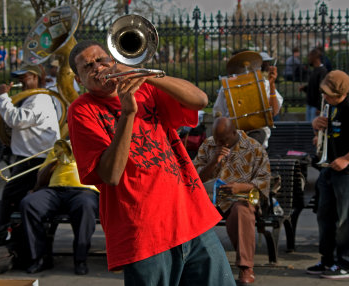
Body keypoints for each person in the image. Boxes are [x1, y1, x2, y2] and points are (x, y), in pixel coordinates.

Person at [67, 40, 236, 286]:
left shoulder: (146, 88)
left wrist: (144, 75)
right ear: (79, 78)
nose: (98, 68)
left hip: (191, 218)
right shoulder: (81, 110)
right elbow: (111, 175)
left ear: (114, 59)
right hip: (144, 233)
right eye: (87, 66)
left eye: (102, 59)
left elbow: (199, 100)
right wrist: (127, 114)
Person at [307, 70, 349, 279]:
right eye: (325, 93)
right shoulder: (330, 105)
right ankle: (328, 259)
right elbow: (329, 133)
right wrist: (316, 127)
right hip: (330, 166)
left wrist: (347, 159)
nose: (326, 98)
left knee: (347, 217)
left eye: (331, 95)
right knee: (325, 215)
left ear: (342, 93)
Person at [193, 117, 271, 284]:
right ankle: (190, 263)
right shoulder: (209, 145)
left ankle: (245, 267)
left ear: (234, 133)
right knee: (189, 210)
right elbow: (195, 178)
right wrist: (214, 161)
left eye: (224, 140)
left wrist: (240, 187)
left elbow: (264, 181)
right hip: (212, 199)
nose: (220, 143)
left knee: (241, 210)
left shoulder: (254, 148)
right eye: (217, 139)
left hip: (241, 197)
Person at [20, 140, 99, 275]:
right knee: (29, 203)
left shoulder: (96, 145)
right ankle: (40, 258)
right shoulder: (60, 147)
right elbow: (40, 180)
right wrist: (55, 161)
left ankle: (80, 259)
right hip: (55, 190)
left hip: (84, 190)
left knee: (86, 206)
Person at [0, 64, 60, 225]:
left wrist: (3, 96)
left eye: (24, 77)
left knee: (10, 197)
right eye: (19, 78)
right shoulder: (33, 98)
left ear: (36, 78)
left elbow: (16, 120)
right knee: (17, 198)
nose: (21, 81)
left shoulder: (39, 99)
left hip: (34, 160)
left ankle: (2, 233)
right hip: (30, 158)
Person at [213, 50, 283, 148]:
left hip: (257, 134)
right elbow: (218, 114)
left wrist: (272, 84)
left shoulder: (264, 84)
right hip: (232, 137)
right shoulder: (226, 87)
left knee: (251, 146)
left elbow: (274, 111)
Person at [299, 48, 327, 122]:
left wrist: (319, 107)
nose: (308, 59)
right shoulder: (315, 70)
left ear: (315, 58)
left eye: (309, 57)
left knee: (313, 127)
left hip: (315, 106)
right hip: (310, 104)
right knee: (308, 127)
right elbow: (313, 87)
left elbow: (322, 90)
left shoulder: (322, 71)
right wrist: (304, 88)